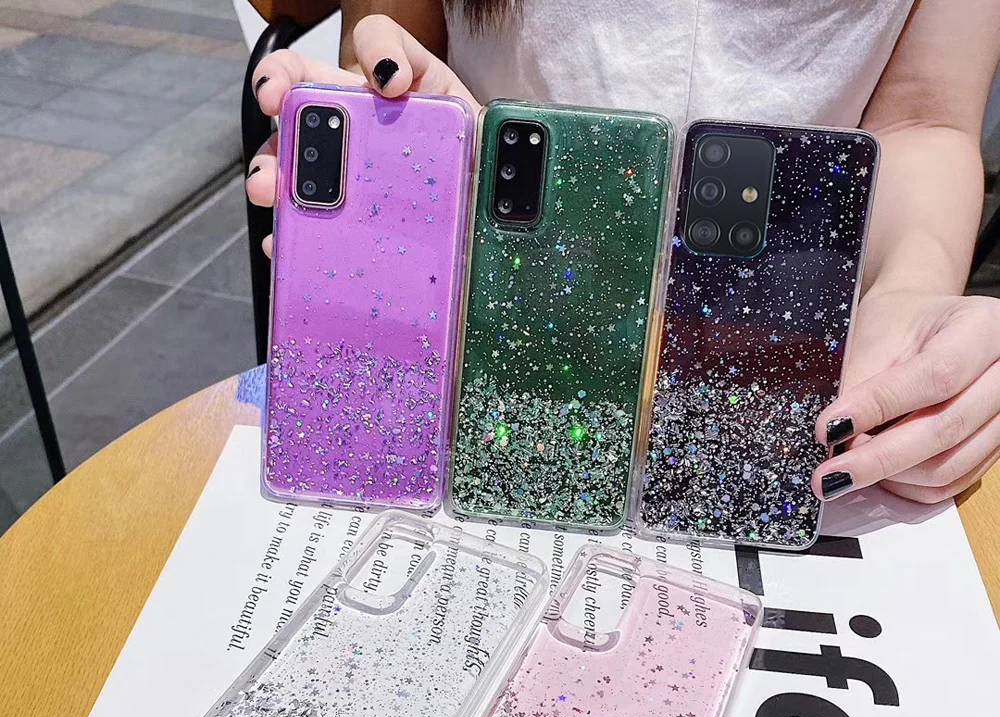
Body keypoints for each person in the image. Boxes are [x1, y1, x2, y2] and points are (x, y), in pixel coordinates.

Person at [246, 0, 1000, 506]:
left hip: (783, 357)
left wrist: (910, 292)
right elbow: (385, 46)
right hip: (488, 333)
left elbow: (926, 116)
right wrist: (395, 158)